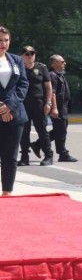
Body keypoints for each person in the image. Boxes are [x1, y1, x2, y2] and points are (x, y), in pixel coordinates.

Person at [0, 26, 29, 195]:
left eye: (6, 40)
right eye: (0, 40)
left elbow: (23, 85)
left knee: (10, 156)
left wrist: (9, 106)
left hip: (15, 115)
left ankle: (7, 192)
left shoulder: (17, 60)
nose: (3, 44)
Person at [18, 45, 54, 166]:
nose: (30, 56)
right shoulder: (18, 68)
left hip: (39, 104)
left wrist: (48, 103)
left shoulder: (41, 68)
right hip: (23, 104)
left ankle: (48, 156)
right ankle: (24, 157)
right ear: (22, 56)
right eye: (27, 54)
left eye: (32, 53)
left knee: (42, 130)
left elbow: (48, 88)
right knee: (24, 132)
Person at [48, 54, 77, 162]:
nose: (65, 63)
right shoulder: (52, 75)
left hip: (63, 107)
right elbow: (52, 93)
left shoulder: (59, 75)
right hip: (58, 107)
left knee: (59, 130)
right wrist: (54, 108)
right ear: (54, 63)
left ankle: (38, 144)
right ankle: (63, 154)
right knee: (61, 131)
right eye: (62, 62)